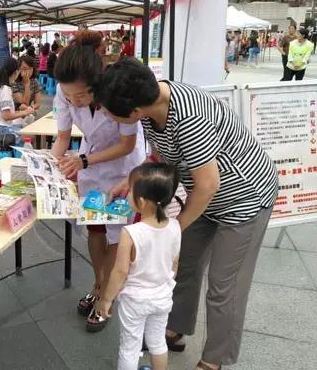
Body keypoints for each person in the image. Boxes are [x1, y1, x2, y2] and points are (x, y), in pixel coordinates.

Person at [99, 57, 278, 370]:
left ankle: (213, 360)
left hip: (244, 198)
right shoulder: (148, 108)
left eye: (108, 110)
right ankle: (173, 330)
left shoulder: (190, 117)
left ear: (134, 110)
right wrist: (130, 181)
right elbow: (161, 154)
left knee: (225, 286)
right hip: (203, 196)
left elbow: (208, 184)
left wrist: (172, 227)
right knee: (181, 265)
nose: (104, 113)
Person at [51, 31, 146, 333]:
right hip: (91, 166)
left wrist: (83, 162)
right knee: (95, 228)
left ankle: (108, 293)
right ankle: (98, 282)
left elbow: (127, 146)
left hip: (121, 170)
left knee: (117, 234)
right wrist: (51, 166)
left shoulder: (116, 93)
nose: (73, 101)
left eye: (80, 96)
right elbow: (63, 138)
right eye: (69, 97)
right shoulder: (64, 92)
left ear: (97, 85)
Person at [96, 163, 181, 370]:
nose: (127, 194)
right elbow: (174, 264)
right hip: (162, 297)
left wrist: (106, 299)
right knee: (158, 341)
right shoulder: (176, 226)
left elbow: (121, 271)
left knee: (130, 348)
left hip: (135, 300)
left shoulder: (131, 232)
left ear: (141, 202)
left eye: (131, 191)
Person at [0, 57, 34, 145]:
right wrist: (26, 112)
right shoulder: (5, 89)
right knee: (29, 136)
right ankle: (19, 157)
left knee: (27, 133)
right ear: (15, 72)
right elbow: (7, 116)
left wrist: (22, 112)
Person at [12, 55, 42, 129]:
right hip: (15, 114)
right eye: (25, 69)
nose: (28, 71)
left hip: (28, 113)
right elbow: (23, 103)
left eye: (30, 68)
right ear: (18, 69)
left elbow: (37, 103)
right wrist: (27, 84)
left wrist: (31, 108)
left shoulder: (35, 82)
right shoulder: (14, 82)